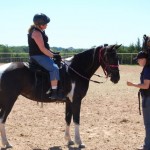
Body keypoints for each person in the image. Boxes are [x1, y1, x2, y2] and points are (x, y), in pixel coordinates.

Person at [28, 13, 65, 100]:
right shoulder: (36, 33)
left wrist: (53, 53)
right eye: (45, 24)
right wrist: (53, 55)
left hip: (42, 55)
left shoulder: (40, 31)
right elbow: (42, 49)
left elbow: (46, 47)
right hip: (38, 56)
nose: (47, 25)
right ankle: (54, 92)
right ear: (40, 25)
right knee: (54, 68)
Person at [127, 51, 150, 150]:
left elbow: (146, 85)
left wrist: (133, 84)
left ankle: (147, 145)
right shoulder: (147, 68)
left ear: (143, 60)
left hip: (148, 98)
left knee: (148, 124)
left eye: (138, 60)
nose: (138, 62)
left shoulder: (147, 69)